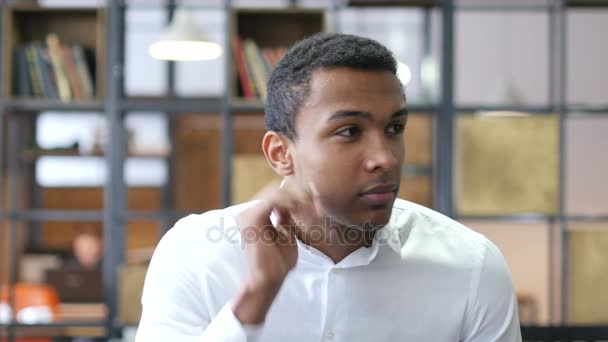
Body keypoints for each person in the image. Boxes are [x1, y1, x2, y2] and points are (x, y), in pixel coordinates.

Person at [135, 33, 521, 341]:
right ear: (280, 152)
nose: (384, 158)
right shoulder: (194, 254)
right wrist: (254, 299)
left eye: (394, 128)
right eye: (349, 131)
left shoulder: (472, 267)